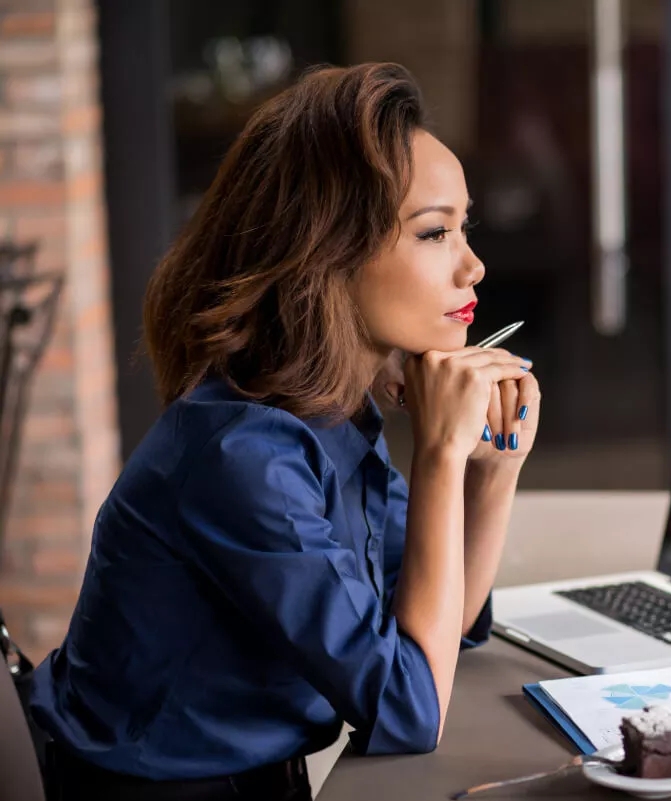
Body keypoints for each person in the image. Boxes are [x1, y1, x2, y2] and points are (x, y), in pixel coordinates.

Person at [28, 62, 539, 801]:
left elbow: (437, 630)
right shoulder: (242, 455)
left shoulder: (330, 412)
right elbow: (410, 704)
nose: (474, 265)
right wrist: (438, 452)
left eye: (465, 228)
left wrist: (493, 470)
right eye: (435, 233)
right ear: (330, 250)